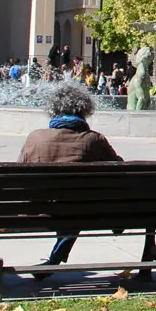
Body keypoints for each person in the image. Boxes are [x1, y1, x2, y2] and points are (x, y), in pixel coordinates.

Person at [18, 84, 121, 276]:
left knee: (70, 203)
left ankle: (53, 262)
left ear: (54, 109)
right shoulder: (94, 140)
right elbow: (120, 171)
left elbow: (19, 174)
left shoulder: (35, 138)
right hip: (79, 209)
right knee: (77, 204)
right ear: (85, 109)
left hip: (41, 209)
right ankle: (54, 260)